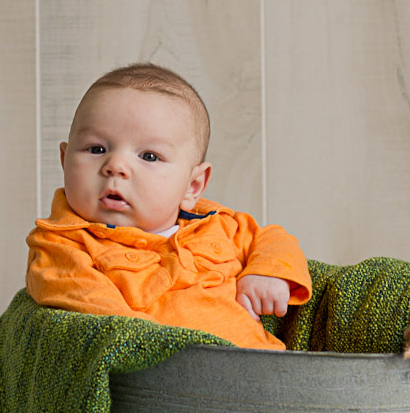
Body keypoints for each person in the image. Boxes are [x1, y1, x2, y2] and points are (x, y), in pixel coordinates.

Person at [26, 63, 312, 349]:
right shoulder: (62, 245)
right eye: (97, 149)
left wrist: (266, 274)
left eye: (149, 156)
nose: (115, 166)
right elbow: (103, 319)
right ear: (64, 160)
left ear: (193, 186)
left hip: (266, 373)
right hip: (167, 381)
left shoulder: (217, 224)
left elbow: (273, 238)